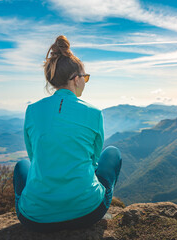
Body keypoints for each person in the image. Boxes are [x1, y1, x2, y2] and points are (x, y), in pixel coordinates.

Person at [13, 35, 122, 233]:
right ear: (75, 79)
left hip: (35, 219)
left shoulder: (32, 111)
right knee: (113, 153)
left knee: (22, 165)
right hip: (88, 212)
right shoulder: (95, 113)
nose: (85, 82)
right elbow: (94, 160)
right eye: (85, 77)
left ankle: (40, 202)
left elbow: (34, 157)